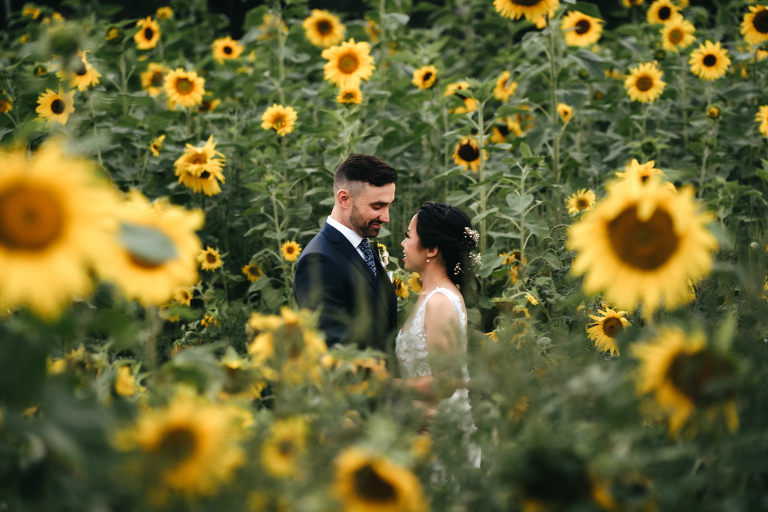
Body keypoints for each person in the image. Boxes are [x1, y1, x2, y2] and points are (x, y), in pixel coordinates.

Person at [396, 201, 481, 468]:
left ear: (431, 249)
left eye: (409, 236)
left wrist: (387, 387)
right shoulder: (431, 296)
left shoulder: (440, 301)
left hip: (441, 434)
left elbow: (447, 380)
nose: (403, 243)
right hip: (423, 429)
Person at [293, 154, 398, 352]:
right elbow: (336, 354)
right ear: (344, 199)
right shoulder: (319, 261)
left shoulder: (363, 245)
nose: (386, 217)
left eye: (388, 205)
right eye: (377, 206)